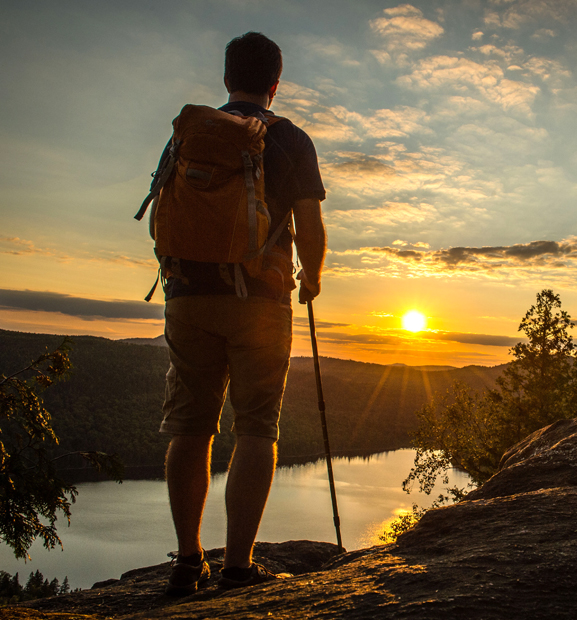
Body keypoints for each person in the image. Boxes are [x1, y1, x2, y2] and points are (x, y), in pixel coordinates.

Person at [157, 32, 327, 595]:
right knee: (256, 426)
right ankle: (237, 567)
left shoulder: (189, 134)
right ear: (276, 83)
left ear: (228, 77)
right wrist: (313, 276)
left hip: (187, 294)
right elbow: (310, 223)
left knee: (190, 424)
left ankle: (186, 560)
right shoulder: (290, 140)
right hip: (259, 299)